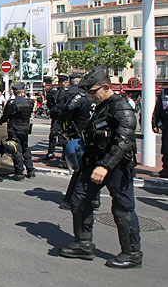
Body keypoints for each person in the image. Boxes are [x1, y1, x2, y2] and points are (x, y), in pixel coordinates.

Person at [58, 66, 142, 269]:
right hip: (94, 162)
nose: (90, 96)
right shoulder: (100, 106)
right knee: (79, 199)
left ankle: (132, 253)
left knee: (123, 209)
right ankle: (83, 243)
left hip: (116, 166)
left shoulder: (121, 107)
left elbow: (124, 141)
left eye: (93, 92)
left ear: (106, 87)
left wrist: (105, 166)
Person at [57, 74, 99, 209]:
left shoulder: (79, 96)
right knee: (92, 167)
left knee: (80, 170)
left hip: (80, 136)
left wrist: (63, 126)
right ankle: (94, 199)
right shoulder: (97, 97)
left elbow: (65, 113)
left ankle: (70, 199)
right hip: (95, 137)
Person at [0, 83, 36, 181]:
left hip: (14, 128)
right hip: (25, 128)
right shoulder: (30, 102)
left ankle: (19, 172)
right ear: (23, 92)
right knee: (25, 148)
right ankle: (30, 170)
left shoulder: (12, 103)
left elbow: (6, 116)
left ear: (14, 92)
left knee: (15, 150)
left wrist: (0, 122)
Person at [45, 75, 70, 160]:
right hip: (56, 116)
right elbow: (49, 103)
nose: (67, 84)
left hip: (65, 116)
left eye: (67, 82)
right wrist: (53, 109)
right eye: (65, 82)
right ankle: (51, 152)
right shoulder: (54, 91)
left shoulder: (68, 92)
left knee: (65, 135)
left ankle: (64, 154)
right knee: (53, 134)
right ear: (60, 83)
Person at [152, 87, 168, 178]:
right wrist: (154, 123)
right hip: (166, 125)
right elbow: (157, 109)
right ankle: (166, 169)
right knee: (166, 148)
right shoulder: (163, 93)